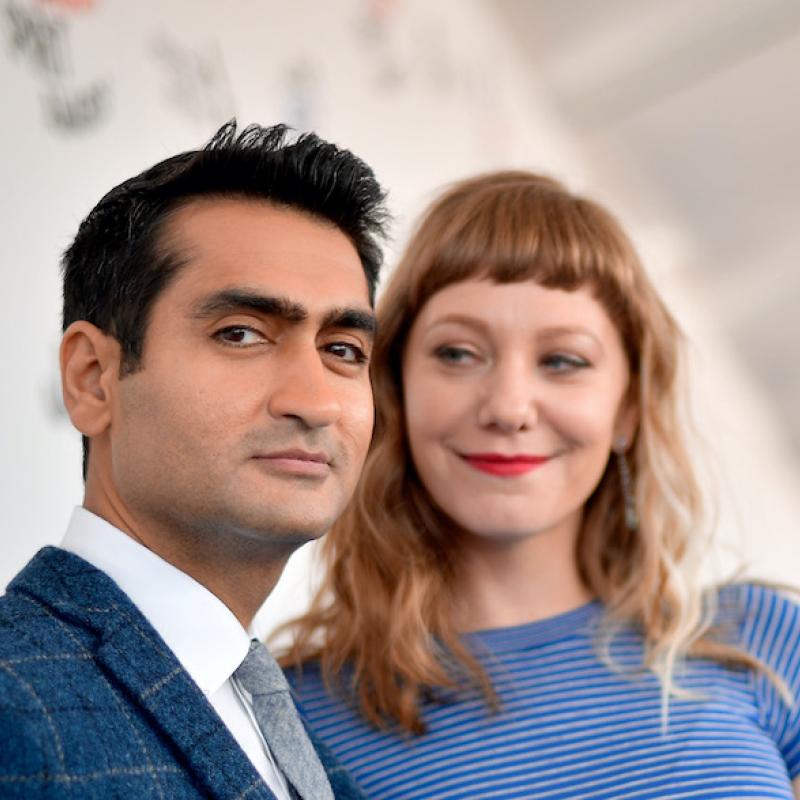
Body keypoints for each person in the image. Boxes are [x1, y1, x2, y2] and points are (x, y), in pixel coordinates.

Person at [282, 171, 800, 799]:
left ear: (628, 409)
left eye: (562, 361)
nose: (508, 407)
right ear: (394, 389)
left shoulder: (765, 645)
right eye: (458, 354)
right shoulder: (294, 719)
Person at [0, 121, 388, 799]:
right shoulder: (15, 708)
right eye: (241, 334)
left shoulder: (302, 738)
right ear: (94, 378)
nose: (315, 400)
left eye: (343, 350)